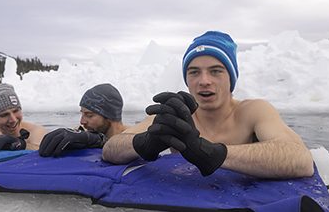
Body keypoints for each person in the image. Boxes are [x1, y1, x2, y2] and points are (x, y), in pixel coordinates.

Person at [102, 31, 314, 179]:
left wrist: (215, 154)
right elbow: (111, 149)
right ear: (186, 79)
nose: (204, 80)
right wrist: (144, 142)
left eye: (215, 71)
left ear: (231, 78)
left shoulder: (252, 111)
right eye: (194, 72)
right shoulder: (177, 114)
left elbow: (300, 159)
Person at [39, 83, 127, 157]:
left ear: (110, 115)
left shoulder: (133, 136)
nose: (82, 121)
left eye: (89, 115)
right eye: (82, 114)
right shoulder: (83, 134)